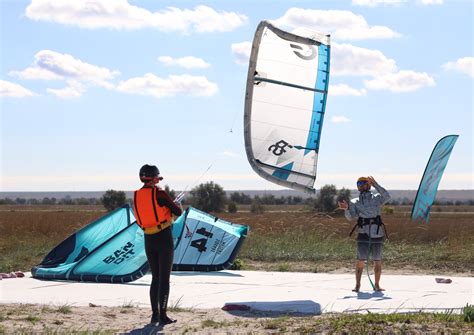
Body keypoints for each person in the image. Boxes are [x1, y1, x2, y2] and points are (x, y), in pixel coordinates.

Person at [133, 164, 182, 326]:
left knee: (155, 277)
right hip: (163, 238)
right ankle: (163, 315)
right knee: (164, 279)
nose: (158, 181)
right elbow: (178, 211)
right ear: (154, 178)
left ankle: (155, 315)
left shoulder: (137, 195)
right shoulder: (159, 193)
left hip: (148, 238)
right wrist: (176, 204)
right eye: (158, 178)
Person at [338, 176, 390, 292]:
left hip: (377, 233)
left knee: (377, 260)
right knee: (360, 260)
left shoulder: (377, 198)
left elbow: (387, 196)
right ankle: (357, 285)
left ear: (369, 185)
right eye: (358, 184)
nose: (361, 185)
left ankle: (377, 285)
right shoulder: (354, 202)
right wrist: (346, 209)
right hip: (363, 233)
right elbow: (351, 217)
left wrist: (376, 184)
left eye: (363, 183)